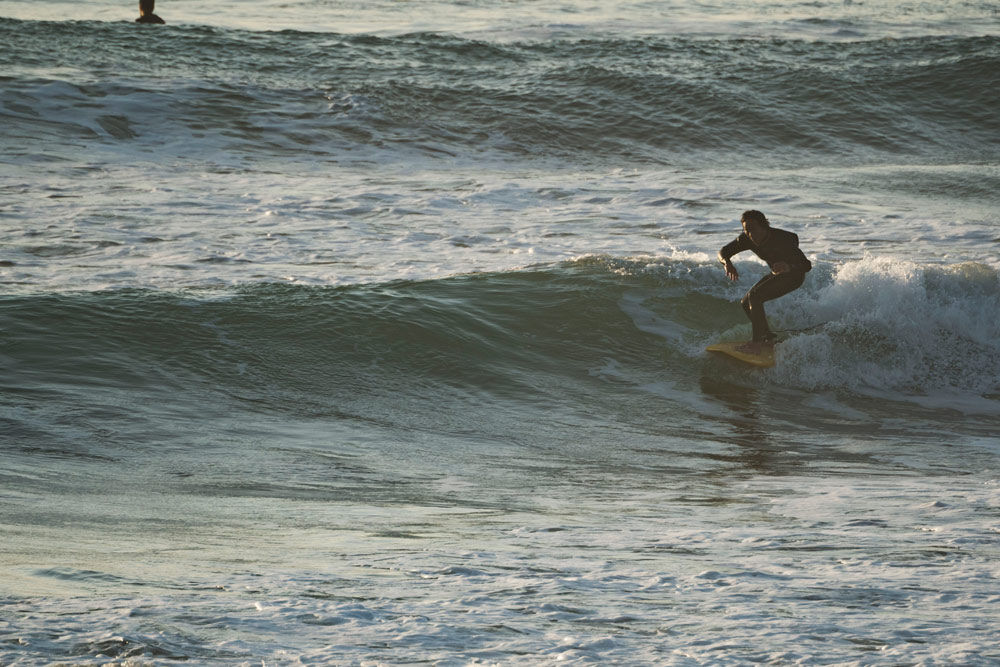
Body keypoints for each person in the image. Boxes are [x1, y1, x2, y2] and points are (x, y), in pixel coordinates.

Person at [718, 210, 811, 354]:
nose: (750, 234)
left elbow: (806, 265)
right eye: (746, 230)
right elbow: (723, 251)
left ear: (764, 227)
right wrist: (727, 263)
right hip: (777, 275)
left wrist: (788, 266)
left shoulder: (783, 239)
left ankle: (757, 343)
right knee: (745, 302)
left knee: (755, 297)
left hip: (794, 276)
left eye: (753, 229)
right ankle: (768, 339)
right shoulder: (746, 239)